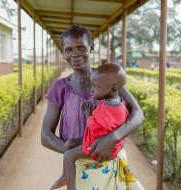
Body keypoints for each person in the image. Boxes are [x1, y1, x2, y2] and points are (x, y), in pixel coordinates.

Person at [41, 25, 144, 189]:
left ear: (91, 47)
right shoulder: (60, 88)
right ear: (64, 53)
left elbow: (138, 114)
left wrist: (113, 138)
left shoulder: (107, 79)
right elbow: (45, 135)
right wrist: (75, 151)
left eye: (81, 47)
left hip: (110, 161)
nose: (75, 54)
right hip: (79, 165)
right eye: (68, 50)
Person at [50, 63, 131, 190]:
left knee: (69, 155)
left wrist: (89, 116)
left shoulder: (108, 109)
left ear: (114, 88)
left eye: (96, 87)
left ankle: (70, 183)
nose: (92, 90)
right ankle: (66, 174)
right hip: (97, 141)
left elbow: (98, 130)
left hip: (100, 147)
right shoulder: (118, 104)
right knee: (69, 143)